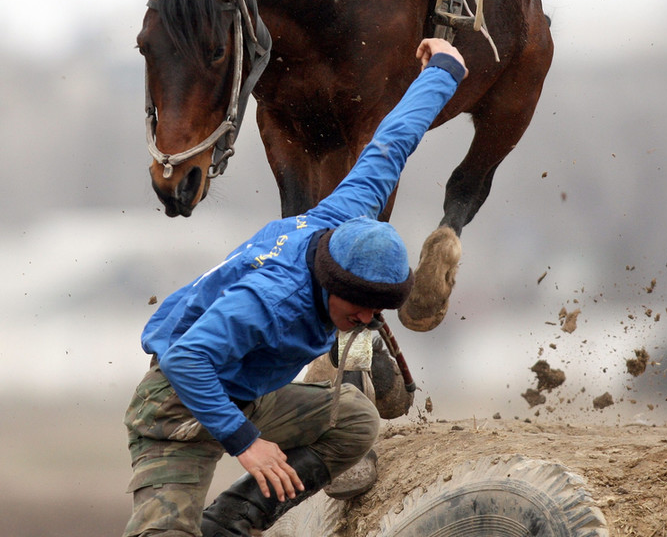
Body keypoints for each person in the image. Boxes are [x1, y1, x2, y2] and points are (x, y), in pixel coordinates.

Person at [122, 37, 467, 537]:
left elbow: (392, 143)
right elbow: (187, 360)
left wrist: (444, 71)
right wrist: (246, 444)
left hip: (247, 393)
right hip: (178, 404)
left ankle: (232, 521)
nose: (368, 320)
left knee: (353, 422)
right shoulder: (269, 301)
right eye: (361, 306)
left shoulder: (343, 218)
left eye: (379, 309)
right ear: (331, 280)